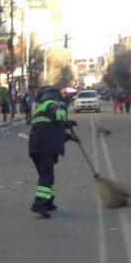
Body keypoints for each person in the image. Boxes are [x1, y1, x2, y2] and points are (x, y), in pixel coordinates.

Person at [28, 86, 75, 218]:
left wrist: (66, 132)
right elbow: (57, 115)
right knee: (46, 176)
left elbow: (50, 129)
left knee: (47, 176)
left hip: (38, 147)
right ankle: (39, 204)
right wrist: (64, 108)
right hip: (45, 147)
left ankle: (48, 202)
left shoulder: (41, 108)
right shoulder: (50, 104)